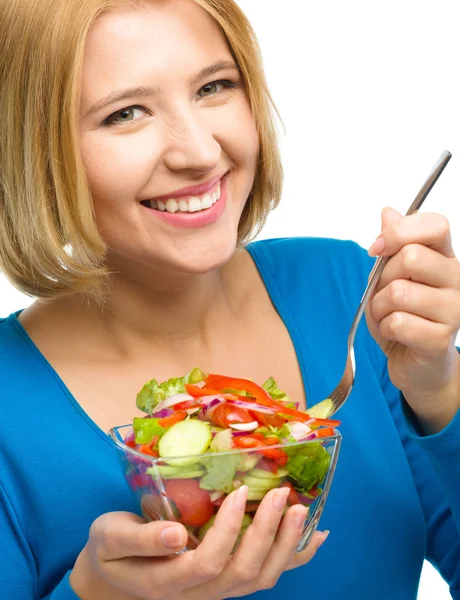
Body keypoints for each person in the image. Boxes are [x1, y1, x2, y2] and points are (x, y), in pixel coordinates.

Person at [0, 0, 459, 598]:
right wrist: (92, 593)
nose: (198, 152)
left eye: (213, 86)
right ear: (34, 152)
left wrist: (438, 392)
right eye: (126, 113)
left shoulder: (350, 288)